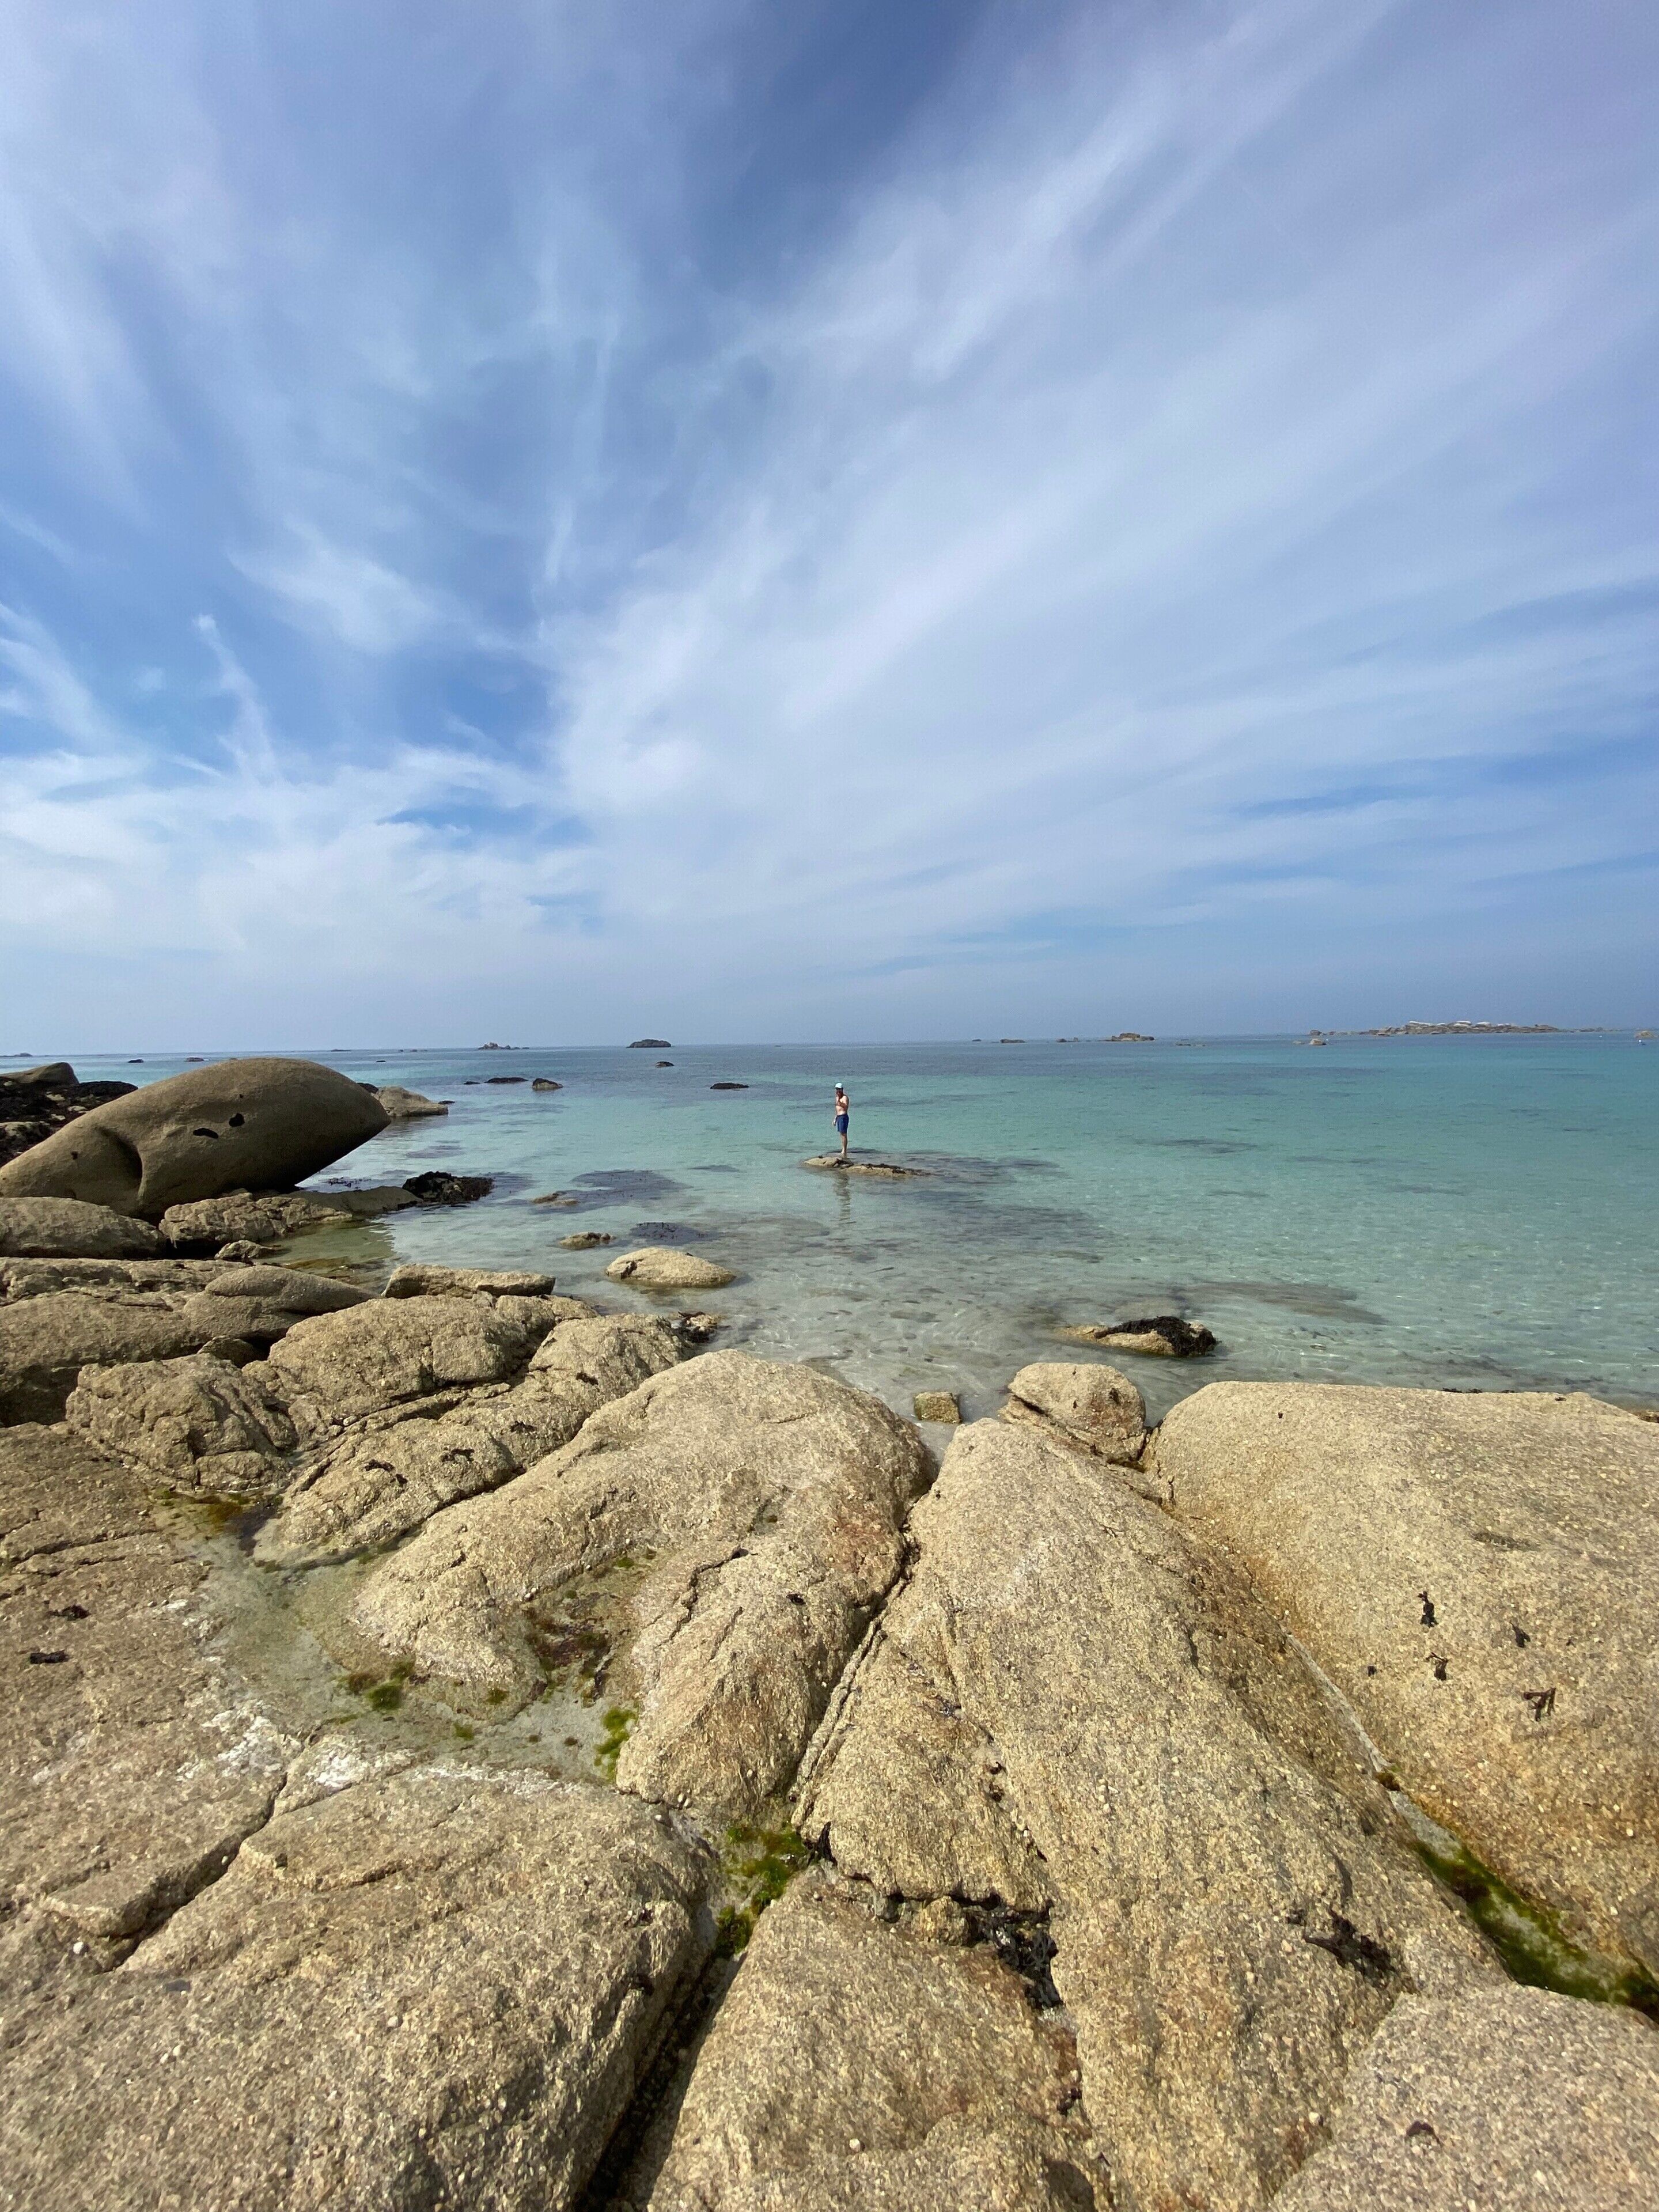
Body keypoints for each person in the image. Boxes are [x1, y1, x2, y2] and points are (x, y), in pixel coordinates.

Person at [833, 1083, 851, 1160]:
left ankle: (845, 1150)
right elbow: (837, 1109)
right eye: (837, 1089)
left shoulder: (845, 1098)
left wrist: (840, 1103)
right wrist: (835, 1118)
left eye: (839, 1089)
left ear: (842, 1090)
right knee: (841, 1134)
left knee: (844, 1134)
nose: (838, 1091)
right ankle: (843, 1149)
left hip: (844, 1116)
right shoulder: (837, 1097)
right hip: (839, 1117)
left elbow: (846, 1107)